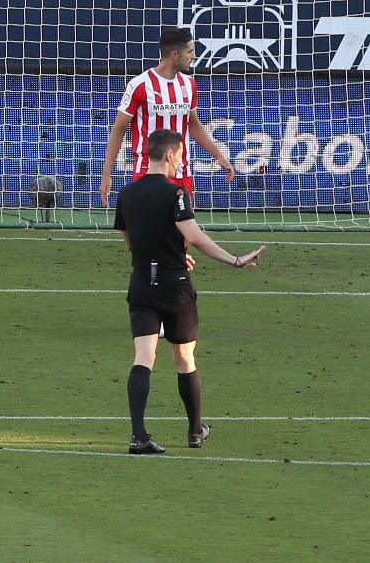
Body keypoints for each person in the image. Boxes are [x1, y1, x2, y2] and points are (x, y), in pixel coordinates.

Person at [114, 128, 265, 455]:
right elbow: (194, 236)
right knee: (184, 358)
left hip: (141, 283)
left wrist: (169, 252)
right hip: (175, 286)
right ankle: (195, 431)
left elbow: (132, 244)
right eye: (181, 156)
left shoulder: (125, 195)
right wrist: (234, 260)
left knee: (143, 357)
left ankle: (138, 436)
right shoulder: (176, 194)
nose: (181, 162)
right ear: (169, 155)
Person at [99, 27, 235, 206]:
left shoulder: (189, 84)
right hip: (148, 174)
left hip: (182, 173)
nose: (193, 56)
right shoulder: (139, 85)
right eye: (190, 51)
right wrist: (106, 173)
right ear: (174, 55)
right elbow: (118, 129)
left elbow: (193, 124)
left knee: (183, 232)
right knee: (150, 232)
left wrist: (219, 156)